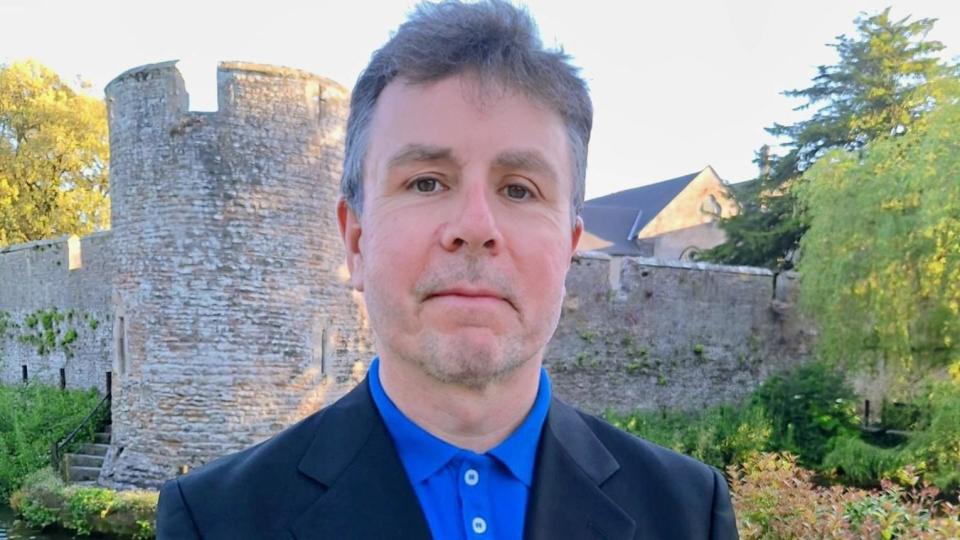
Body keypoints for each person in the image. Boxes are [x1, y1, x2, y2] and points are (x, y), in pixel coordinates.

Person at [156, 1, 739, 538]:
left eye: (519, 188)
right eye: (427, 181)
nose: (476, 224)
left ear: (569, 248)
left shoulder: (688, 511)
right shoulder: (213, 521)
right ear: (356, 240)